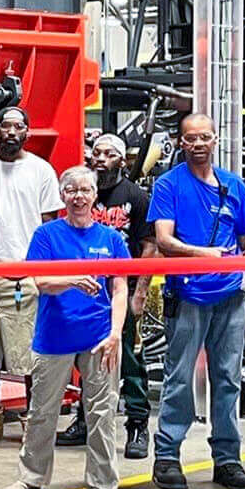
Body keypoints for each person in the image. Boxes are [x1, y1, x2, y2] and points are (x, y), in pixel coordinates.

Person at [147, 112, 245, 489]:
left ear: (216, 140)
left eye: (205, 137)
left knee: (228, 379)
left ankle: (228, 459)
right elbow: (164, 240)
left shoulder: (234, 187)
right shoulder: (168, 186)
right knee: (179, 378)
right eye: (190, 138)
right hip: (188, 296)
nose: (198, 144)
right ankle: (167, 456)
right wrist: (204, 255)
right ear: (181, 143)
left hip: (232, 297)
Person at [10, 167, 128, 489]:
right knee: (42, 412)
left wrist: (116, 334)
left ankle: (103, 487)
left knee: (102, 413)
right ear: (63, 197)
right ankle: (31, 476)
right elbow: (39, 282)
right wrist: (75, 279)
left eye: (85, 190)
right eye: (72, 190)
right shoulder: (47, 235)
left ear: (95, 196)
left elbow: (120, 288)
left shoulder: (112, 239)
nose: (79, 196)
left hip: (98, 337)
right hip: (54, 336)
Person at [0, 105, 62, 445]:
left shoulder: (41, 170)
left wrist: (43, 270)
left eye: (19, 127)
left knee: (29, 352)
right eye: (6, 126)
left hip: (25, 274)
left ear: (27, 132)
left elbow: (50, 225)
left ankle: (34, 420)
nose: (12, 132)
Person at [83, 132, 156, 459]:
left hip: (120, 291)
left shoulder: (136, 197)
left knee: (128, 356)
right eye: (96, 152)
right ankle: (85, 420)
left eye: (108, 154)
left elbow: (149, 246)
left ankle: (138, 423)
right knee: (86, 357)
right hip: (85, 291)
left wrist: (140, 292)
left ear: (122, 161)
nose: (99, 158)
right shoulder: (83, 194)